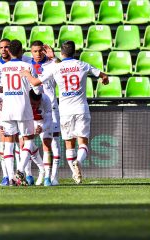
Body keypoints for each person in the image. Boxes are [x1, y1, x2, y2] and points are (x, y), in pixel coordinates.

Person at [21, 41, 109, 184]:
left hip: (65, 111)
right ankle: (78, 162)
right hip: (81, 109)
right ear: (74, 52)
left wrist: (27, 74)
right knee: (83, 142)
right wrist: (105, 79)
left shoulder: (57, 67)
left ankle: (75, 172)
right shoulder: (82, 65)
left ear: (61, 53)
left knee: (69, 144)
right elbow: (103, 75)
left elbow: (36, 83)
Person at [0, 40, 36, 186]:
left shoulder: (1, 68)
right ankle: (20, 171)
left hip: (7, 109)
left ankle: (9, 177)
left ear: (9, 51)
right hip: (23, 107)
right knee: (27, 140)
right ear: (22, 50)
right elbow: (37, 89)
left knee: (8, 143)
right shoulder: (27, 65)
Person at [28, 40, 61, 185]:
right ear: (31, 52)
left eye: (40, 50)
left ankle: (53, 176)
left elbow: (64, 68)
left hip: (51, 108)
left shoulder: (52, 63)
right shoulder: (27, 64)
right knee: (27, 142)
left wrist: (54, 57)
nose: (38, 54)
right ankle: (39, 172)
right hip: (33, 108)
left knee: (53, 142)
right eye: (35, 51)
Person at [25, 89, 54, 186]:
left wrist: (42, 128)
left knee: (47, 144)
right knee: (25, 145)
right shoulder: (24, 98)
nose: (35, 106)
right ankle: (31, 174)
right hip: (30, 121)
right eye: (33, 104)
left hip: (43, 122)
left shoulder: (46, 100)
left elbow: (49, 120)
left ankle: (47, 178)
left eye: (37, 104)